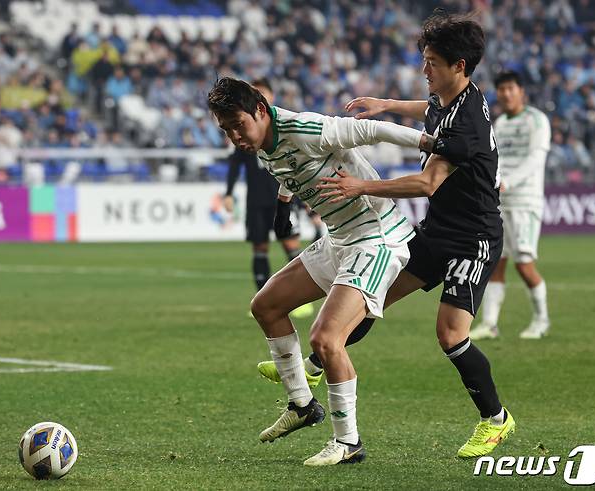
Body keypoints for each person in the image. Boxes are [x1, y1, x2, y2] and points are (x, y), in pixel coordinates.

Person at [260, 11, 516, 459]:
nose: (424, 70)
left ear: (459, 65)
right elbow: (429, 109)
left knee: (450, 335)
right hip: (437, 230)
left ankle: (496, 420)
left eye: (432, 62)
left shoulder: (468, 122)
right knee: (369, 299)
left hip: (473, 238)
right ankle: (317, 365)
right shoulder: (451, 96)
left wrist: (361, 186)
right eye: (424, 59)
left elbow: (426, 184)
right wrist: (387, 104)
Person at [208, 76, 435, 466]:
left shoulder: (305, 127)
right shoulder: (262, 144)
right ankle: (301, 405)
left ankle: (348, 443)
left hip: (375, 238)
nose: (234, 136)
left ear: (260, 111)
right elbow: (288, 169)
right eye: (225, 128)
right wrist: (283, 205)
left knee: (326, 338)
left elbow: (369, 129)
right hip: (339, 239)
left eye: (238, 124)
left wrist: (430, 144)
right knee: (266, 305)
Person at [223, 78, 314, 321]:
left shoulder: (284, 126)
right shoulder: (243, 131)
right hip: (256, 201)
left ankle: (300, 300)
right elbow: (234, 165)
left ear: (270, 98)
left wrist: (306, 195)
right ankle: (262, 300)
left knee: (292, 246)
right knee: (259, 248)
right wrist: (229, 193)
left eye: (262, 93)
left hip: (282, 199)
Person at [470, 71, 551, 340]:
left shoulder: (537, 120)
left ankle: (542, 320)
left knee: (524, 264)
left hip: (526, 201)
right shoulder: (501, 123)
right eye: (501, 89)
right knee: (496, 263)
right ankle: (490, 324)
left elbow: (535, 158)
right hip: (500, 202)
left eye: (510, 88)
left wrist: (510, 181)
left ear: (521, 91)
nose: (505, 94)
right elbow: (496, 160)